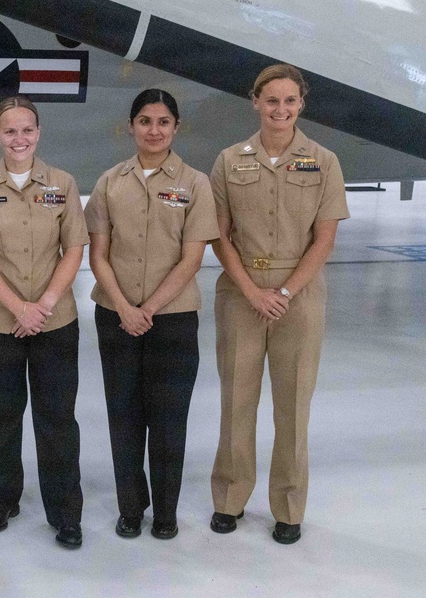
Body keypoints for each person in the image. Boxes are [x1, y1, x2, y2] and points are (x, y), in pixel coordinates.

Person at [208, 64, 348, 544]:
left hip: (299, 294)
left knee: (293, 406)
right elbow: (219, 236)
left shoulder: (324, 161)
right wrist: (252, 291)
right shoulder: (229, 160)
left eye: (290, 101)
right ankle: (229, 499)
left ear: (301, 104)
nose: (280, 110)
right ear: (255, 102)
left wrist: (284, 292)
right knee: (236, 402)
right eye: (272, 101)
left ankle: (289, 507)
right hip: (241, 289)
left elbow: (324, 240)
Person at [86, 89, 218, 540]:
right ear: (131, 126)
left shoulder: (196, 184)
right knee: (122, 416)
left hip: (173, 321)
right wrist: (125, 307)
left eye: (163, 122)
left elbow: (192, 258)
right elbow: (98, 254)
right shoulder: (109, 182)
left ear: (176, 128)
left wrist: (149, 309)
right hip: (116, 317)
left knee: (168, 419)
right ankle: (130, 507)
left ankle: (165, 511)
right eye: (145, 121)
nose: (154, 130)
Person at [0, 96, 87, 548]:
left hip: (54, 322)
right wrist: (19, 308)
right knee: (3, 415)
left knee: (57, 417)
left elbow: (74, 248)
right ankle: (2, 499)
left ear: (39, 133)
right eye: (10, 130)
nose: (20, 139)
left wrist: (45, 304)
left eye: (28, 129)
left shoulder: (63, 183)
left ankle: (65, 512)